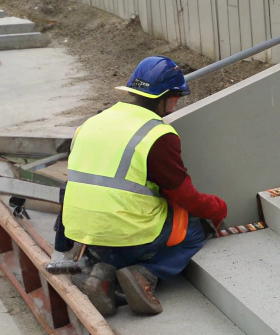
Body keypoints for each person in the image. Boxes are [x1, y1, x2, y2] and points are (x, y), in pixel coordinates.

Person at [59, 56, 227, 317]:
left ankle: (103, 273)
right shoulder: (157, 135)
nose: (177, 102)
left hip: (82, 235)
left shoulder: (91, 123)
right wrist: (218, 208)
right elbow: (186, 197)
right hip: (127, 239)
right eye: (176, 96)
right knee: (193, 227)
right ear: (166, 96)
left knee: (117, 223)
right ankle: (145, 275)